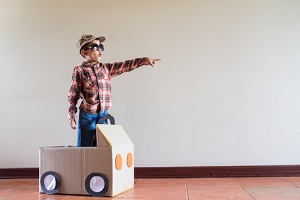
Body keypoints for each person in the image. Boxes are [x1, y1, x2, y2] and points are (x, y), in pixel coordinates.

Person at [68, 34, 160, 147]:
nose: (100, 50)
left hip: (103, 116)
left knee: (104, 148)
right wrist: (72, 114)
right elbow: (73, 94)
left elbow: (124, 65)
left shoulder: (106, 69)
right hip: (87, 116)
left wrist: (144, 61)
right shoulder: (80, 71)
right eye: (95, 47)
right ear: (84, 52)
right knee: (85, 149)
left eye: (101, 47)